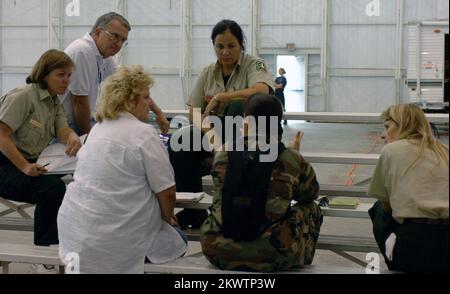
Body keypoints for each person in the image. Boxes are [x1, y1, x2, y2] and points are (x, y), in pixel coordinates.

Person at [57, 65, 187, 274]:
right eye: (146, 98)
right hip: (120, 241)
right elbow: (167, 191)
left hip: (78, 235)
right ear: (130, 101)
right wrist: (168, 217)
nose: (149, 104)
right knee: (180, 238)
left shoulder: (97, 130)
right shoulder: (144, 133)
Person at [169, 19, 274, 229]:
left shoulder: (254, 65)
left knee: (237, 106)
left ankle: (233, 206)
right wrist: (212, 138)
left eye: (231, 46)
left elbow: (262, 90)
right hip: (216, 134)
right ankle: (193, 210)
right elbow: (194, 111)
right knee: (178, 139)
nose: (225, 52)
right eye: (220, 47)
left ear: (241, 45)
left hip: (251, 135)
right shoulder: (208, 71)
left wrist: (223, 97)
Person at [200, 93, 323, 272]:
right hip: (273, 254)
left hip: (217, 250)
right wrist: (294, 161)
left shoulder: (223, 153)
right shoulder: (290, 158)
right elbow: (310, 193)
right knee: (312, 207)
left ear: (246, 121)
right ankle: (301, 259)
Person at [0, 49, 81, 246]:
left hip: (29, 162)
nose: (66, 80)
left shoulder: (54, 100)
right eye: (60, 75)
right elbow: (1, 134)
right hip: (5, 165)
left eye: (69, 75)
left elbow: (61, 127)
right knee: (51, 190)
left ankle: (69, 239)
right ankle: (45, 252)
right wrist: (25, 167)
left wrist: (71, 136)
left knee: (79, 182)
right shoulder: (23, 96)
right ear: (44, 75)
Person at [368, 103, 449, 273]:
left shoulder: (391, 150)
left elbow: (387, 204)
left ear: (401, 125)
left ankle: (393, 259)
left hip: (414, 246)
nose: (384, 135)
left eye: (387, 127)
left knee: (377, 209)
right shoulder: (444, 150)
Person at [60, 12, 169, 135]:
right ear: (97, 32)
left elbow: (132, 84)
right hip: (67, 128)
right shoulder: (82, 52)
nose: (118, 44)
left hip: (80, 122)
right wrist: (88, 140)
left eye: (123, 40)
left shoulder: (103, 57)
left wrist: (158, 112)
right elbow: (79, 102)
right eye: (115, 36)